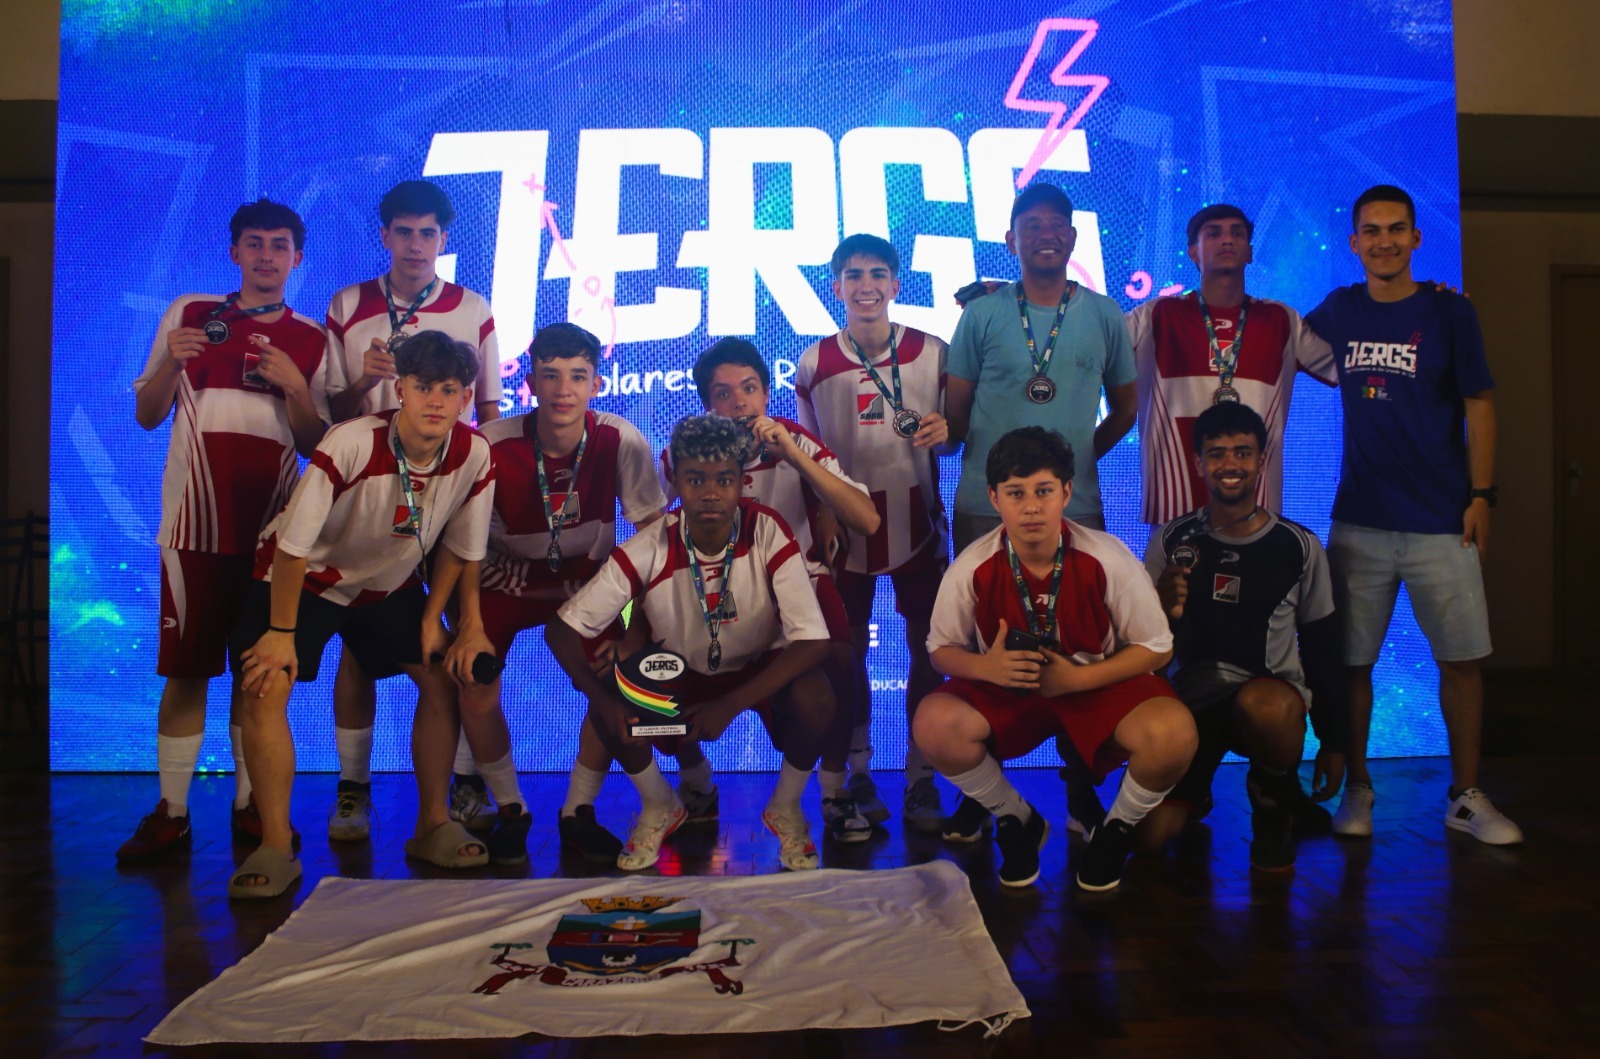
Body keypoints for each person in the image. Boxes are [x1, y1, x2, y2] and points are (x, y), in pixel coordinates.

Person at [227, 331, 496, 898]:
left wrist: (439, 619)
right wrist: (281, 633)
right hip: (302, 578)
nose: (435, 401)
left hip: (384, 584)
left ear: (466, 398)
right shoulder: (350, 442)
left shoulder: (474, 453)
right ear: (400, 390)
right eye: (423, 387)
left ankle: (433, 825)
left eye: (449, 390)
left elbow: (462, 549)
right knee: (265, 683)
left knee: (441, 677)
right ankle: (274, 845)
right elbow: (292, 548)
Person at [1306, 184, 1520, 845]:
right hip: (1360, 521)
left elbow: (1480, 405)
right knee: (1353, 665)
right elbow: (1279, 344)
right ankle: (1358, 787)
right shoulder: (1340, 309)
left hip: (1442, 521)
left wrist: (1482, 496)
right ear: (1354, 243)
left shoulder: (1450, 311)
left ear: (1417, 238)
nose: (1385, 241)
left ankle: (1465, 795)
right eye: (1371, 231)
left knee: (1461, 660)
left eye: (1396, 229)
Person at [119, 198, 330, 862]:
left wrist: (296, 388)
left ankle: (250, 805)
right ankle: (172, 811)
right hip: (193, 527)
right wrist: (170, 364)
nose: (267, 255)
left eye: (279, 245)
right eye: (255, 243)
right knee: (186, 672)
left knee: (256, 675)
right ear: (234, 252)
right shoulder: (190, 313)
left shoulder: (311, 337)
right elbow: (147, 415)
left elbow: (315, 442)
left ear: (297, 258)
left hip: (271, 535)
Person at [546, 414, 836, 872]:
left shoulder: (767, 529)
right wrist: (601, 701)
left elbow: (813, 641)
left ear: (741, 482)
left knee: (816, 693)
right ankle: (660, 803)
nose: (711, 493)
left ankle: (786, 807)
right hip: (681, 674)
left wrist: (730, 705)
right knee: (614, 694)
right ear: (676, 482)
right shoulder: (652, 543)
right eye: (696, 479)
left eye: (724, 480)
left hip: (757, 668)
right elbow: (561, 630)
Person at [915, 427, 1195, 891]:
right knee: (933, 722)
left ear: (1066, 492)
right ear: (994, 498)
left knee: (1174, 732)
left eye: (1043, 491)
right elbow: (940, 650)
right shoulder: (972, 565)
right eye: (1016, 493)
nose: (1031, 507)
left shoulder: (1108, 556)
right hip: (1012, 691)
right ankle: (1016, 817)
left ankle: (1115, 830)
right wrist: (986, 668)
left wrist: (1079, 681)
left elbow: (1158, 645)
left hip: (1093, 685)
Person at [321, 179, 502, 841]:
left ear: (444, 239)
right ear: (385, 236)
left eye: (429, 233)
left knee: (455, 636)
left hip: (445, 493)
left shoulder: (472, 307)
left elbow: (488, 412)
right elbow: (327, 415)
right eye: (404, 232)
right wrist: (366, 380)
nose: (417, 245)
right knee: (357, 643)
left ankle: (463, 783)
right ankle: (353, 788)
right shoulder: (348, 304)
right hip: (367, 499)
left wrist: (481, 491)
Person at [656, 339, 881, 843]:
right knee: (648, 664)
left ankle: (833, 791)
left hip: (795, 583)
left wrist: (796, 459)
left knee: (841, 659)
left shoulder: (793, 439)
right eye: (723, 394)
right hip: (713, 588)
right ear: (707, 404)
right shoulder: (687, 450)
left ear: (766, 393)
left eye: (749, 388)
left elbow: (867, 520)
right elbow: (649, 520)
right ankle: (695, 780)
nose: (739, 402)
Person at [458, 322, 666, 865]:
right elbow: (462, 542)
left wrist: (641, 623)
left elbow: (652, 534)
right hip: (506, 578)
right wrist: (468, 623)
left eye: (577, 376)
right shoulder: (490, 443)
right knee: (473, 674)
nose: (563, 389)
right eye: (550, 376)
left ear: (597, 384)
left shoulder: (618, 437)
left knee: (614, 679)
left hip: (587, 582)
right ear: (530, 383)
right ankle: (510, 810)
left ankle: (578, 812)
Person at [1142, 403, 1347, 870]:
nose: (1229, 464)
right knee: (1150, 839)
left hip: (1267, 705)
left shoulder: (1298, 545)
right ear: (1198, 464)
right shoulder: (1172, 540)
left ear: (1261, 460)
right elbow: (1144, 651)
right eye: (1216, 453)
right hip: (1191, 710)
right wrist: (1163, 611)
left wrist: (1334, 743)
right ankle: (1197, 793)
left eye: (1242, 452)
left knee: (1265, 704)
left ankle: (1274, 808)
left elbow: (1322, 649)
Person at [795, 233, 951, 834]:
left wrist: (949, 430)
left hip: (919, 527)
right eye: (854, 275)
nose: (867, 286)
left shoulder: (933, 352)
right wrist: (822, 512)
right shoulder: (814, 362)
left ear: (896, 283)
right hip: (847, 533)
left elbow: (958, 432)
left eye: (878, 274)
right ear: (836, 286)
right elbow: (807, 458)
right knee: (847, 654)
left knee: (928, 652)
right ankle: (856, 769)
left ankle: (920, 775)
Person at [945, 183, 1136, 546]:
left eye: (1057, 224)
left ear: (1073, 237)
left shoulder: (1105, 313)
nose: (1046, 234)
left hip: (1075, 504)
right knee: (984, 588)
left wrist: (1077, 457)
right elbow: (955, 412)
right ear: (1011, 241)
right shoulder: (981, 312)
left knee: (1081, 588)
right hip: (987, 505)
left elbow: (1126, 409)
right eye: (1032, 225)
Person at [1126, 204, 1336, 526]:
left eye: (1237, 233)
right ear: (1193, 252)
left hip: (1257, 511)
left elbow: (1354, 367)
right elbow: (1090, 347)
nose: (1227, 240)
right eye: (1214, 234)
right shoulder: (1156, 316)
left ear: (1250, 252)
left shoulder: (1281, 320)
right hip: (1173, 509)